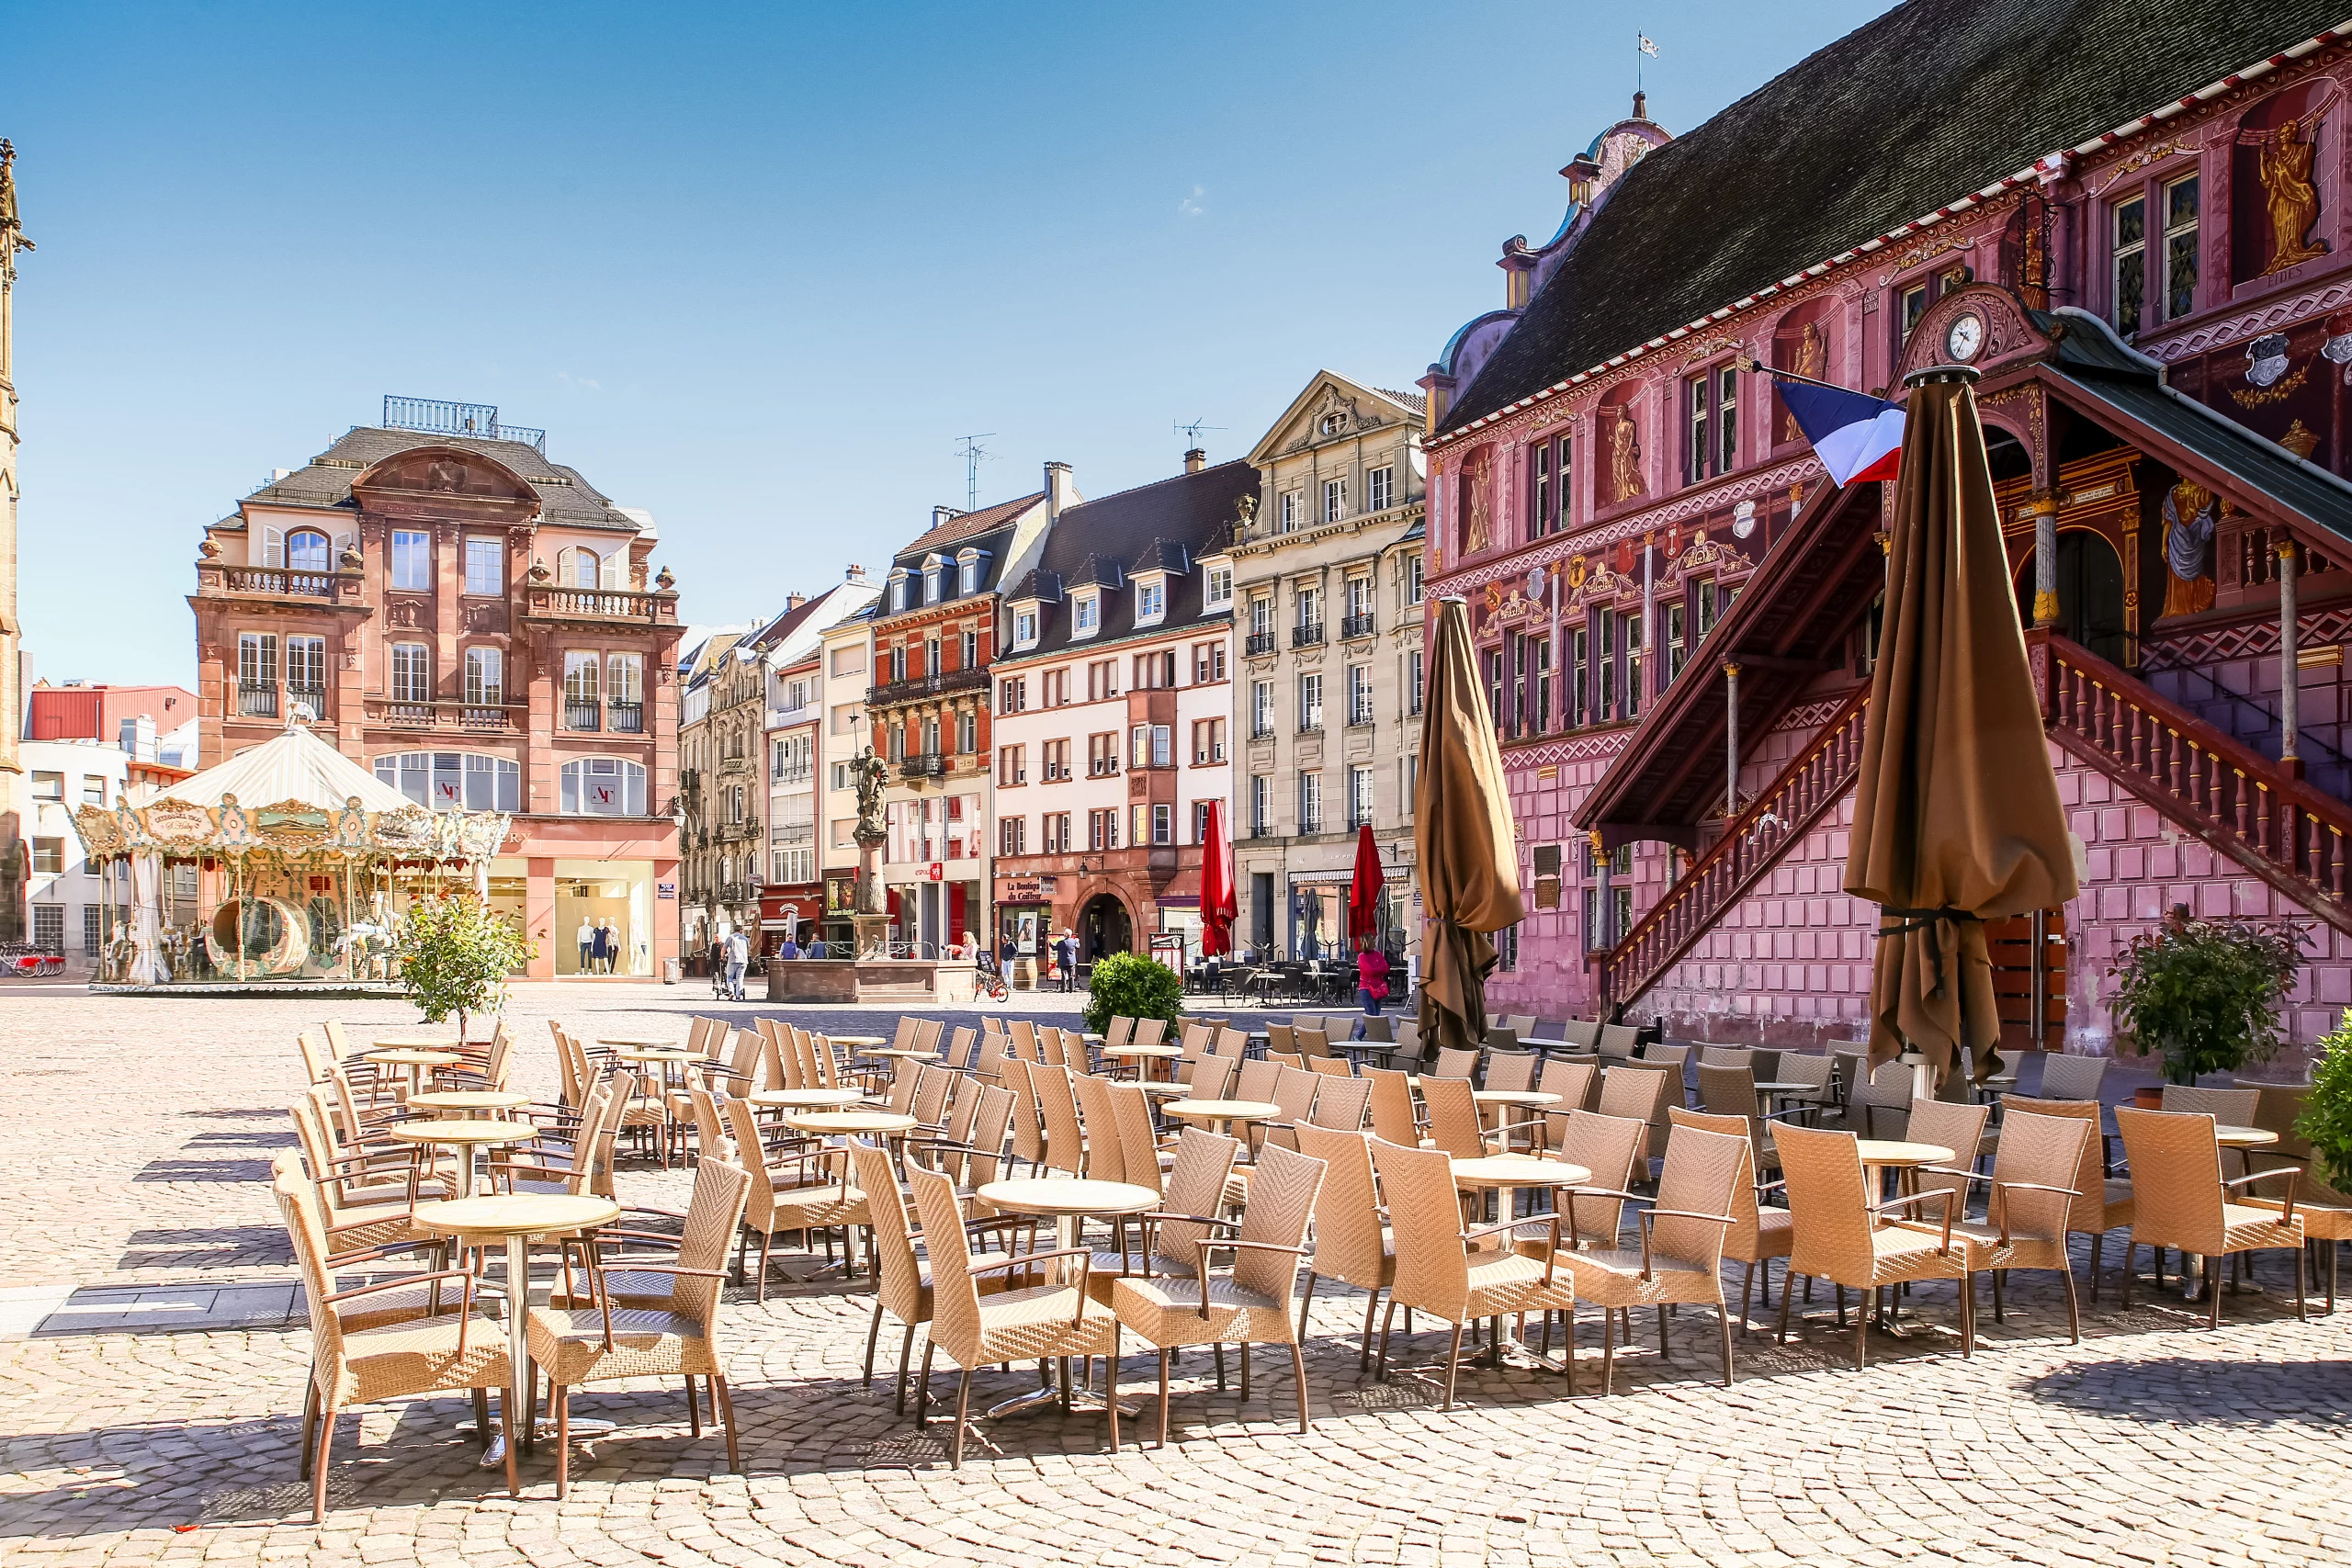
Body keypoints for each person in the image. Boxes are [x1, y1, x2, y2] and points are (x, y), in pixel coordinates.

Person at [1356, 936, 1390, 1021]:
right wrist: (1379, 969)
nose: (1375, 941)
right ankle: (1363, 1031)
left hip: (1378, 988)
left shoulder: (1378, 954)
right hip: (1366, 988)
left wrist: (1375, 970)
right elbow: (1369, 971)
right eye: (1373, 940)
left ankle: (1371, 1030)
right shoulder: (1362, 956)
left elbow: (1386, 968)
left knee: (1375, 1016)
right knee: (1371, 1015)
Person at [725, 927, 750, 1001]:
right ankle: (738, 995)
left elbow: (724, 948)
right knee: (740, 978)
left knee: (729, 977)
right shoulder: (745, 938)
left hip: (733, 960)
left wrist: (722, 957)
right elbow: (749, 948)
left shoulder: (731, 937)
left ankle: (731, 992)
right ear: (741, 930)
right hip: (743, 961)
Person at [1054, 928, 1079, 992]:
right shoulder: (1073, 941)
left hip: (1063, 961)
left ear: (1065, 935)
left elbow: (1055, 948)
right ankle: (1071, 989)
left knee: (1064, 975)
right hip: (1071, 961)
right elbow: (1078, 946)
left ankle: (1063, 989)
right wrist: (1077, 941)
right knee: (1071, 975)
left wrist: (1050, 944)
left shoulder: (1061, 943)